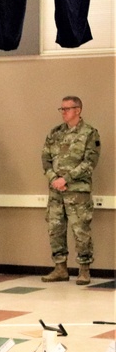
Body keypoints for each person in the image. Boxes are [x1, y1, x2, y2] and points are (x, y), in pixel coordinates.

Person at [41, 96, 101, 285]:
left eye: (67, 109)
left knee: (81, 231)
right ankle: (60, 268)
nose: (63, 112)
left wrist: (65, 179)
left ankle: (84, 270)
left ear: (78, 110)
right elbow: (45, 158)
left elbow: (90, 163)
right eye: (62, 109)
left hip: (77, 192)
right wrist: (53, 178)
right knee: (55, 229)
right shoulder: (55, 133)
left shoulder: (89, 133)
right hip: (56, 192)